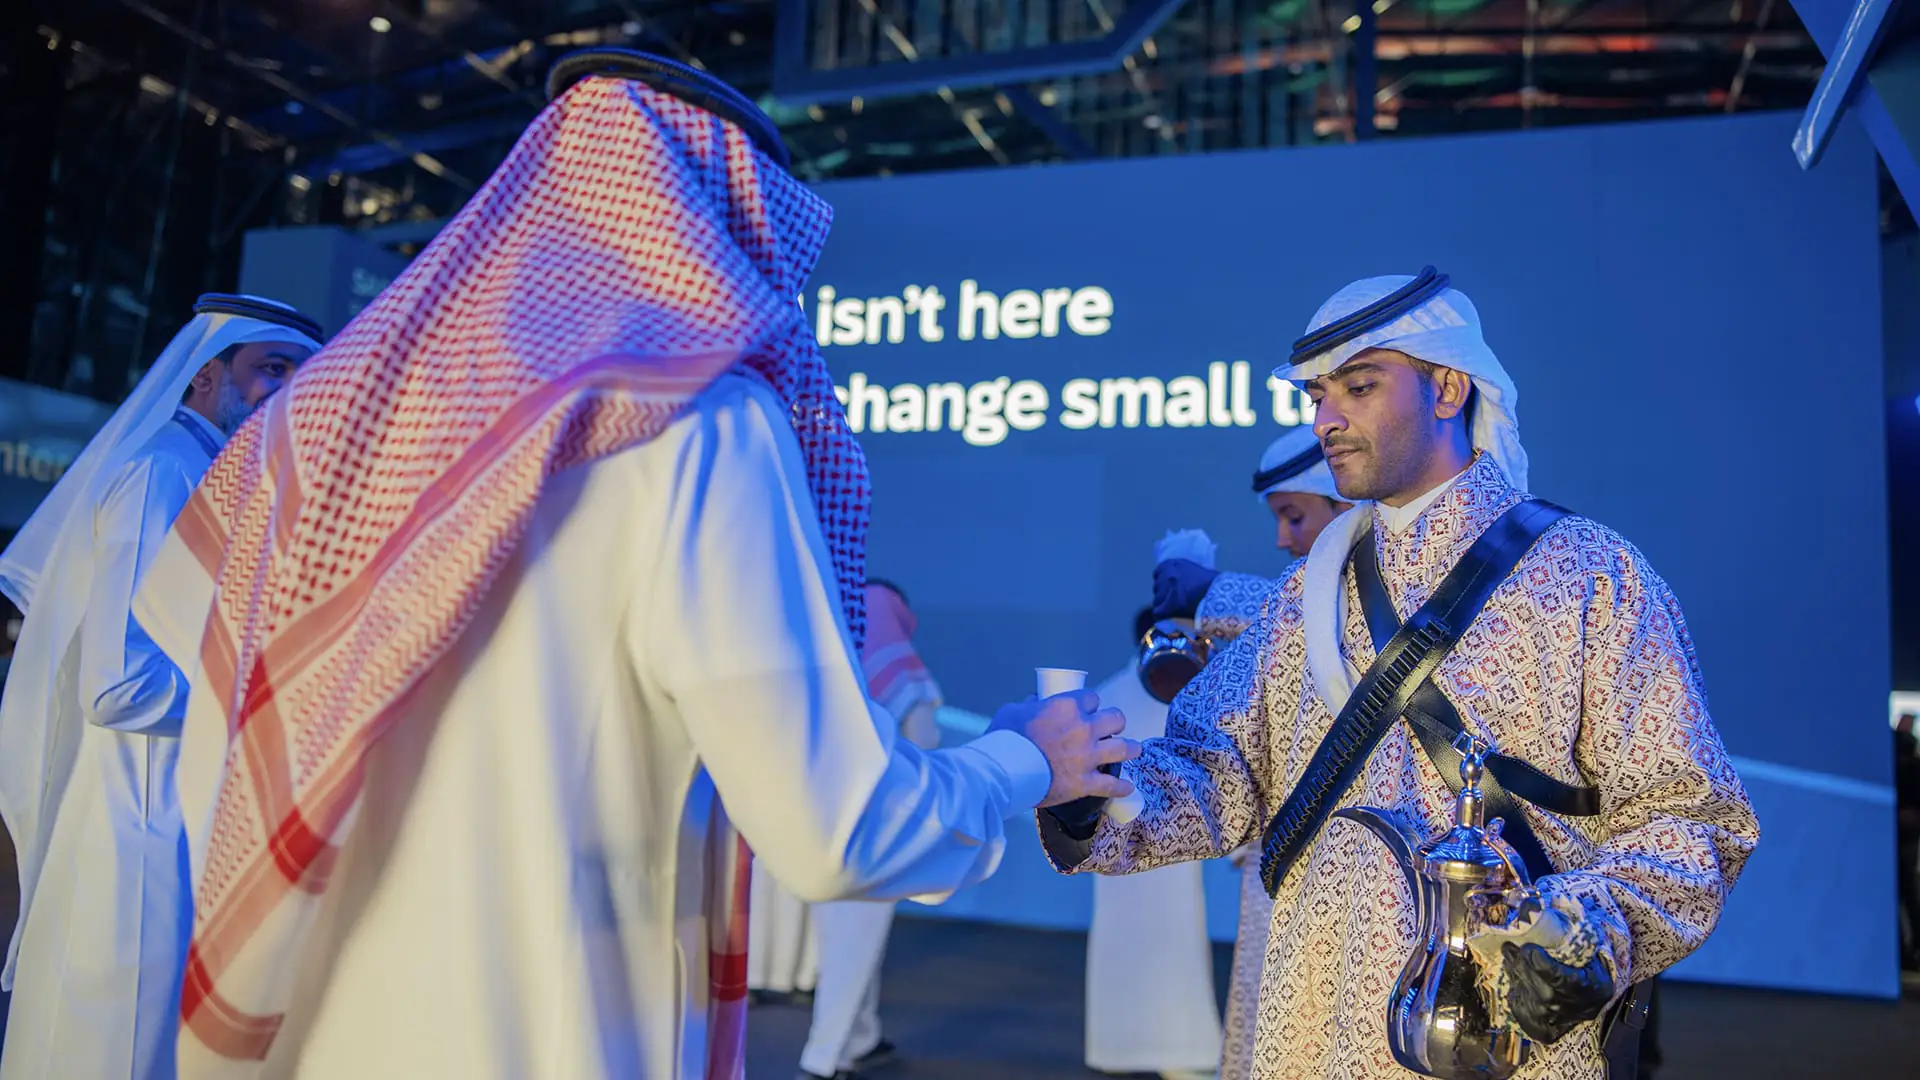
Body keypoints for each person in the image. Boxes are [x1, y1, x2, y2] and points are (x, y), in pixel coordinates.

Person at [131, 51, 1137, 1080]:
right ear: (716, 214)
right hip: (549, 1032)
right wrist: (1024, 760)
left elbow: (195, 685)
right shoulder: (698, 422)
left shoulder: (303, 423)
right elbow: (838, 828)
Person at [1041, 268, 1759, 1079]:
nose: (1326, 418)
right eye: (1316, 394)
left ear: (1448, 387)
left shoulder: (1592, 573)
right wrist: (1088, 790)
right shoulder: (1306, 592)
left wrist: (1583, 933)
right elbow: (1220, 775)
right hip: (1309, 1021)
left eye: (1359, 385)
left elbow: (1695, 818)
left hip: (1508, 1038)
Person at [0, 294, 321, 1080]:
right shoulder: (164, 477)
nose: (285, 392)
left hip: (163, 823)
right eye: (270, 369)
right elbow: (119, 685)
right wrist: (262, 692)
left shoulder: (209, 477)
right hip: (134, 833)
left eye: (302, 375)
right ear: (204, 379)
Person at [1149, 424, 1350, 1080]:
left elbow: (1352, 633)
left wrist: (1212, 593)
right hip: (1282, 864)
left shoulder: (1395, 594)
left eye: (1294, 516)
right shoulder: (1295, 608)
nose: (1281, 540)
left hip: (1356, 881)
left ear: (1348, 506)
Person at [795, 579, 945, 1080]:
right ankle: (822, 1058)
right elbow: (924, 749)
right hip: (877, 833)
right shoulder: (909, 681)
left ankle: (860, 1037)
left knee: (843, 940)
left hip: (822, 822)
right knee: (854, 944)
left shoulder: (831, 671)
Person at [1084, 606, 1224, 1080]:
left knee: (1170, 943)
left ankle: (1164, 1048)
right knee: (1146, 943)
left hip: (1153, 852)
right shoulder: (1116, 698)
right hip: (1132, 847)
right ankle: (1154, 1049)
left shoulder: (1109, 697)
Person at [1897, 713, 1919, 970]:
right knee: (1908, 892)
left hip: (1903, 839)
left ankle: (1905, 949)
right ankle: (1907, 949)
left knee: (1906, 892)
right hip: (1907, 840)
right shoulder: (1913, 767)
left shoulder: (1907, 770)